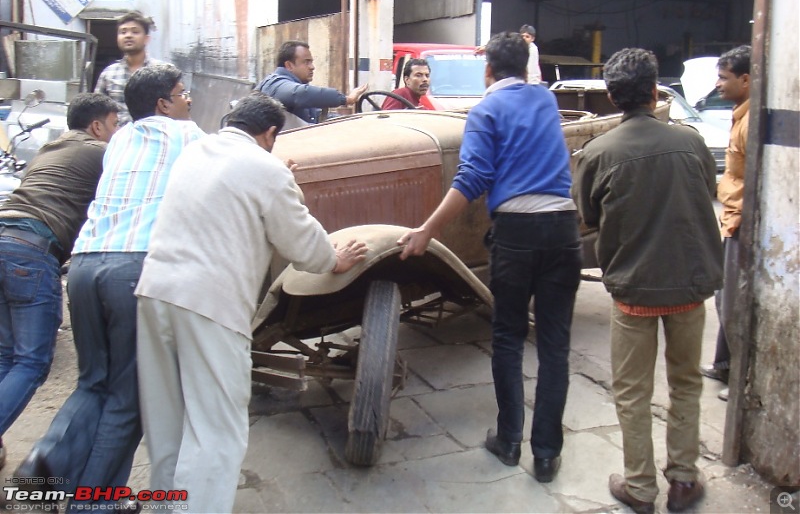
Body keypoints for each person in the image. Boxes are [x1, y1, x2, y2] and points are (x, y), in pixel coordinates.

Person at [135, 93, 368, 513]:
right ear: (270, 133)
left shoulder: (195, 151)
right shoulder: (268, 169)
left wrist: (278, 177)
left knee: (165, 420)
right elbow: (306, 247)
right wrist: (335, 258)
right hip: (210, 305)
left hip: (155, 291)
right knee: (217, 429)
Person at [15, 64, 204, 512]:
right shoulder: (188, 135)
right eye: (182, 93)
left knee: (93, 383)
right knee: (128, 400)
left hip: (83, 263)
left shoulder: (118, 140)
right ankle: (92, 504)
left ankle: (48, 459)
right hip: (133, 267)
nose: (189, 100)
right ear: (163, 104)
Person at [398, 31, 581, 483]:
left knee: (508, 337)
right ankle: (545, 455)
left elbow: (473, 176)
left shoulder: (486, 110)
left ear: (487, 71)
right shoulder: (545, 103)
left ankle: (508, 440)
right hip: (563, 229)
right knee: (555, 345)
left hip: (517, 233)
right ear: (526, 68)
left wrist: (427, 229)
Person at [571, 48, 723, 514]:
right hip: (688, 287)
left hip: (633, 290)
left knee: (633, 393)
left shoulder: (597, 153)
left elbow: (588, 217)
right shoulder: (692, 142)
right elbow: (708, 194)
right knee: (686, 383)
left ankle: (639, 486)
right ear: (656, 90)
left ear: (613, 97)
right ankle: (682, 480)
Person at [0, 94, 119, 471]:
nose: (117, 134)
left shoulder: (48, 151)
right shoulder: (100, 152)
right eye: (115, 125)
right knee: (32, 362)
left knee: (6, 358)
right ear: (98, 126)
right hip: (32, 250)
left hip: (5, 234)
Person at [700, 45, 751, 402]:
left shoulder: (751, 123)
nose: (718, 84)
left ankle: (740, 377)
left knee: (731, 302)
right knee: (723, 297)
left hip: (740, 221)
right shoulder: (738, 114)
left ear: (746, 79)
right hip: (731, 217)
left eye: (724, 78)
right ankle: (723, 364)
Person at [255, 40, 367, 129]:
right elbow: (301, 94)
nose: (312, 67)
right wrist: (347, 99)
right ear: (289, 65)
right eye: (306, 62)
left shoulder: (287, 84)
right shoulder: (274, 85)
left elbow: (315, 115)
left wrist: (351, 121)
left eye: (311, 62)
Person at [95, 11, 164, 125]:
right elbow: (97, 112)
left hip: (152, 138)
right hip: (118, 139)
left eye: (135, 31)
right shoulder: (108, 74)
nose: (128, 35)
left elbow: (174, 109)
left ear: (146, 38)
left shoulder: (161, 71)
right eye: (123, 32)